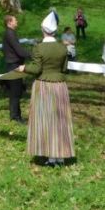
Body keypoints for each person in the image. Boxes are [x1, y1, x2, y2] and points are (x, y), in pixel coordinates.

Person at [18, 11, 74, 166]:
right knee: (60, 121)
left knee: (45, 120)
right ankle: (61, 157)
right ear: (55, 31)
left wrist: (23, 68)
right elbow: (64, 69)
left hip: (44, 87)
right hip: (60, 87)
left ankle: (50, 157)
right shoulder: (63, 49)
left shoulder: (39, 48)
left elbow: (36, 69)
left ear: (43, 30)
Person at [1, 14, 30, 123]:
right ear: (9, 22)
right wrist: (33, 55)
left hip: (13, 63)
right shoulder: (10, 33)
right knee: (15, 92)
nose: (17, 21)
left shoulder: (10, 33)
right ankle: (15, 116)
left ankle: (16, 115)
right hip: (14, 65)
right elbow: (19, 50)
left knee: (16, 91)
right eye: (15, 20)